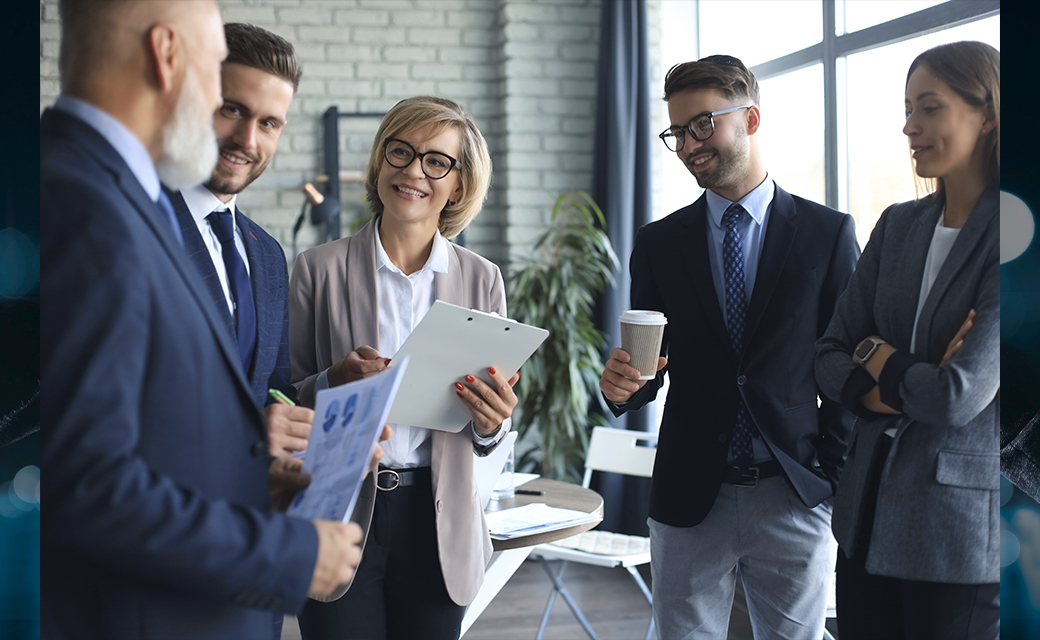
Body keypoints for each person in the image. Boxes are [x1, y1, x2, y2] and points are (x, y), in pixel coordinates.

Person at [41, 2, 366, 638]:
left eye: (270, 121)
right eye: (220, 82)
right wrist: (291, 554)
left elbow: (205, 410)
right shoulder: (89, 207)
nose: (247, 138)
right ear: (168, 54)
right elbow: (83, 481)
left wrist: (282, 459)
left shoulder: (240, 244)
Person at [599, 55, 860, 639]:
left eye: (703, 124)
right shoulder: (659, 244)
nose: (689, 144)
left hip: (793, 491)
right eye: (676, 132)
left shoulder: (828, 234)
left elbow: (846, 368)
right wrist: (622, 385)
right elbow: (647, 372)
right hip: (691, 496)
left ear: (752, 118)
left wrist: (830, 477)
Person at [289, 95, 516, 640]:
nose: (414, 171)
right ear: (379, 161)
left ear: (458, 184)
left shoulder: (483, 280)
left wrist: (493, 423)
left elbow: (493, 426)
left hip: (439, 522)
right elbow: (281, 397)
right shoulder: (316, 271)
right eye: (401, 152)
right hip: (336, 512)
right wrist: (329, 383)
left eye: (437, 161)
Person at [814, 41, 1000, 640]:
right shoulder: (898, 225)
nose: (908, 126)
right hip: (864, 518)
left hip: (955, 538)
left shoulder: (1015, 236)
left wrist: (876, 352)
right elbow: (827, 356)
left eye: (928, 108)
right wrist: (885, 383)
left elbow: (955, 397)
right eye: (906, 108)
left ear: (988, 113)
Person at [168, 22, 310, 458]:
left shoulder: (267, 254)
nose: (247, 140)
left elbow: (272, 391)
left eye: (268, 123)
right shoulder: (132, 225)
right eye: (231, 110)